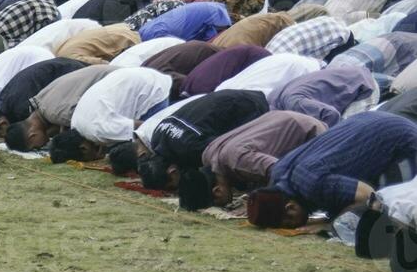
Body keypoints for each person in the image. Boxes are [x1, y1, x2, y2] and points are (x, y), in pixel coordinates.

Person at [248, 112, 417, 229]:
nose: (293, 226)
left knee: (393, 206)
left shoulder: (313, 184)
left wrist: (331, 224)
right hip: (371, 121)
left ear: (290, 208)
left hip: (402, 140)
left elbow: (369, 196)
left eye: (288, 223)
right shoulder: (279, 173)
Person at [178, 110, 328, 211]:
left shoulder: (239, 162)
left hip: (310, 132)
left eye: (218, 203)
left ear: (217, 191)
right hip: (282, 117)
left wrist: (255, 204)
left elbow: (281, 170)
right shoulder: (208, 155)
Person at [136, 89, 270, 191]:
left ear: (172, 172)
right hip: (228, 96)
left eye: (172, 186)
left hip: (248, 106)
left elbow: (226, 154)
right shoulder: (157, 138)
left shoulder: (191, 148)